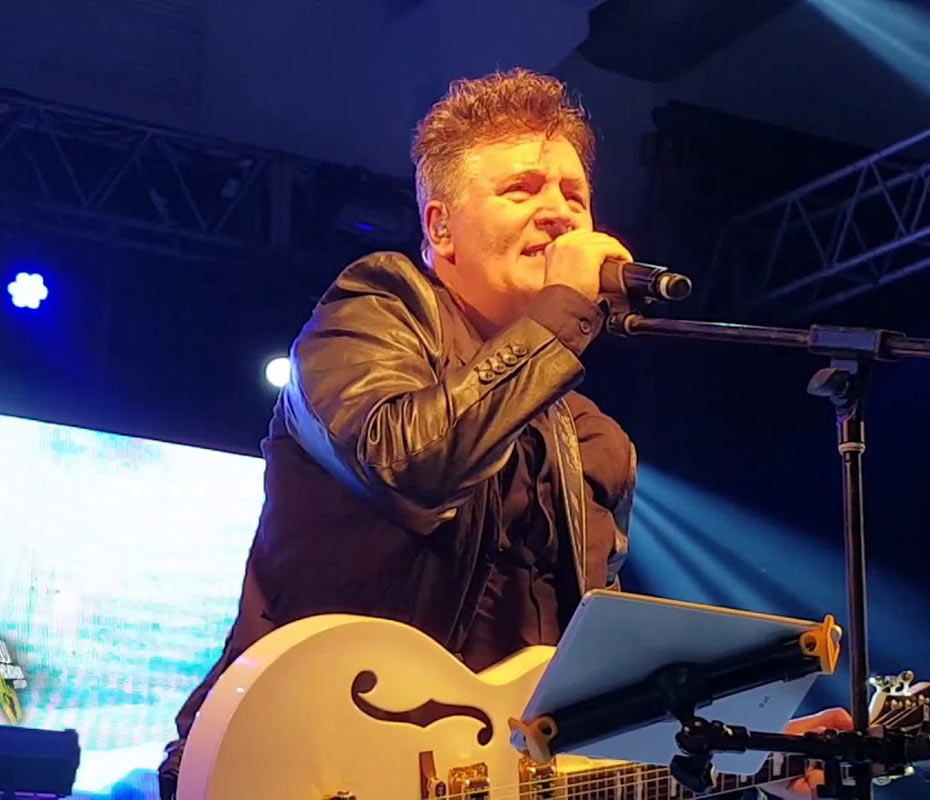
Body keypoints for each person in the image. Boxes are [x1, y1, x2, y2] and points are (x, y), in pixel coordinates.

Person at [157, 68, 847, 799]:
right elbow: (410, 462)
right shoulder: (373, 313)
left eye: (574, 195)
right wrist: (562, 310)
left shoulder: (595, 443)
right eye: (522, 190)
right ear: (440, 228)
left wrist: (751, 757)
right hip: (294, 764)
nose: (558, 214)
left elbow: (576, 709)